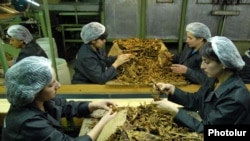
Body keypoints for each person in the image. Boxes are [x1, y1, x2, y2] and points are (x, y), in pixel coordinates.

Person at [1, 56, 117, 141]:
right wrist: (102, 123)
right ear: (34, 91)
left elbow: (64, 106)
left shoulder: (39, 100)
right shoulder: (29, 123)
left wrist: (93, 105)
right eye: (51, 85)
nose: (59, 86)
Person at [152, 36, 250, 133]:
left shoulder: (235, 98)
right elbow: (197, 100)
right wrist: (172, 90)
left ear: (224, 63)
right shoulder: (214, 79)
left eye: (207, 62)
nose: (202, 66)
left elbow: (209, 130)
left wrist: (175, 112)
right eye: (202, 60)